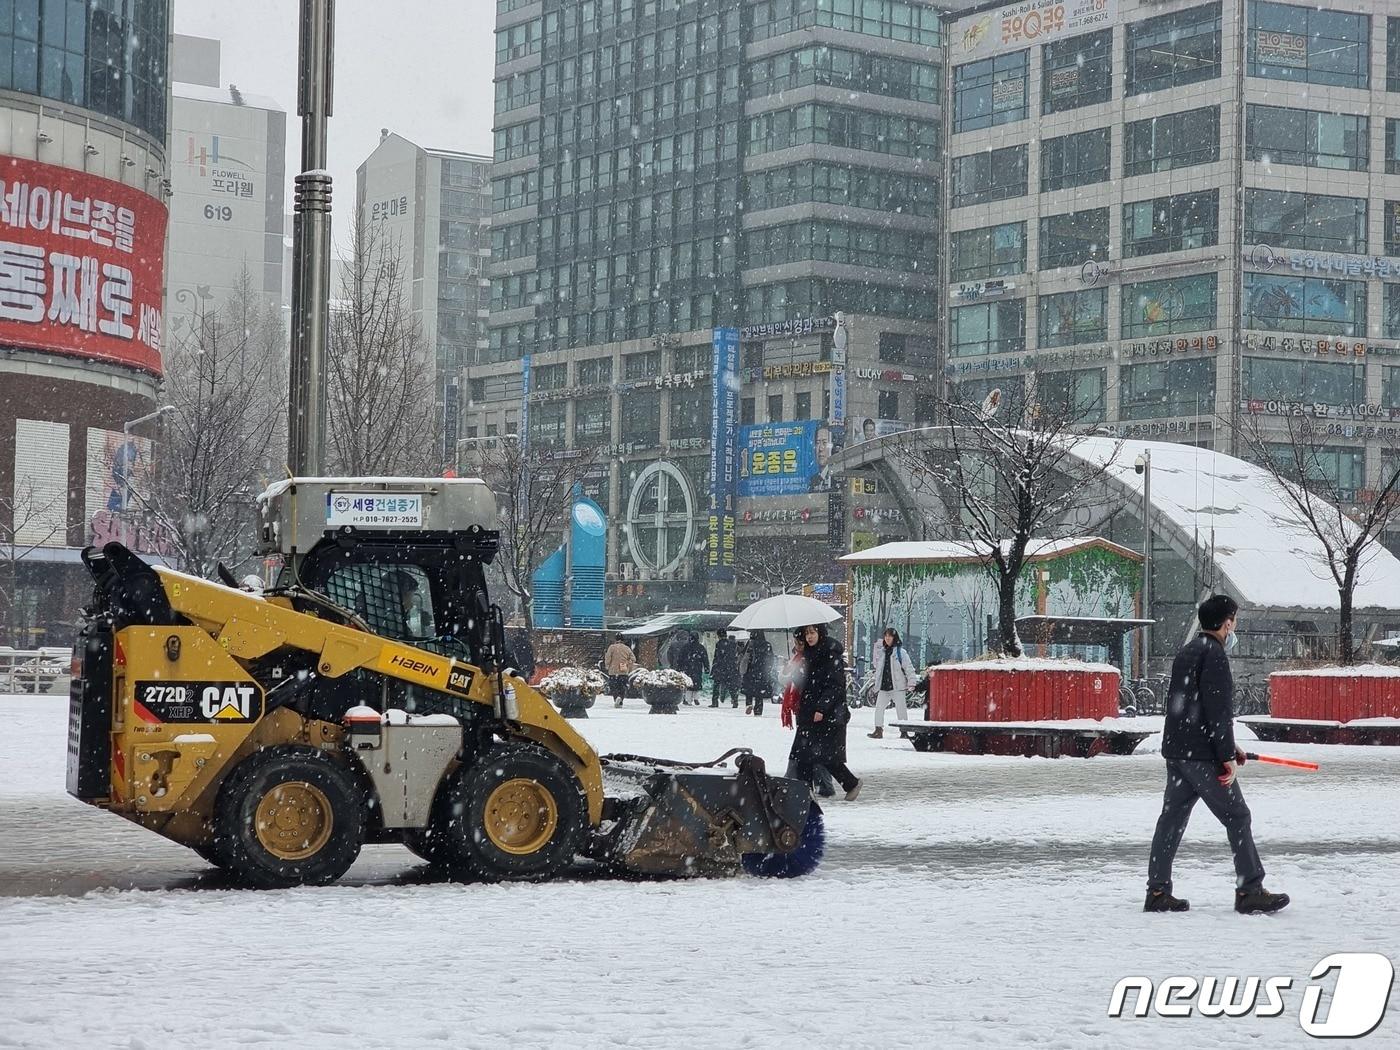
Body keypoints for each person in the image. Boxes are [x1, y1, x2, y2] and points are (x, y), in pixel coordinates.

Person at [1145, 594, 1289, 915]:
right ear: (1227, 623)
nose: (1233, 626)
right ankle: (1250, 889)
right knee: (1238, 816)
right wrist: (1225, 754)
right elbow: (1216, 711)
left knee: (1172, 819)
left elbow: (1186, 708)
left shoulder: (1187, 651)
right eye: (1234, 620)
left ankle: (1157, 890)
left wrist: (1228, 745)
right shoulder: (1215, 655)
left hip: (1178, 752)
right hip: (1203, 755)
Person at [789, 623, 861, 801]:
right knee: (803, 753)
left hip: (827, 715)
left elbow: (835, 686)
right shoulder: (808, 655)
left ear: (820, 633)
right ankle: (806, 791)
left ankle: (850, 783)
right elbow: (807, 684)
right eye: (807, 634)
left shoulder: (830, 654)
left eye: (812, 632)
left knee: (825, 756)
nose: (809, 637)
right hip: (809, 712)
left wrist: (822, 708)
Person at [869, 627, 917, 740]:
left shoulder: (901, 652)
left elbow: (908, 667)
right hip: (884, 686)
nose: (887, 638)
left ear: (894, 638)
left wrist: (912, 682)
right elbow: (879, 668)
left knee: (901, 709)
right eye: (886, 636)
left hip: (897, 686)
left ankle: (904, 731)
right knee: (879, 708)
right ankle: (878, 730)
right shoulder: (882, 652)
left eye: (890, 636)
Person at [741, 631, 776, 716]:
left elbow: (743, 655)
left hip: (750, 671)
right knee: (759, 693)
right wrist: (768, 669)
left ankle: (749, 704)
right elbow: (771, 659)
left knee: (748, 690)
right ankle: (758, 710)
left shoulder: (750, 643)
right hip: (762, 672)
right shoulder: (767, 645)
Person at [674, 631, 710, 706]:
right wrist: (706, 668)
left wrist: (679, 667)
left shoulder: (685, 647)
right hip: (697, 668)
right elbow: (705, 658)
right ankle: (696, 698)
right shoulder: (701, 647)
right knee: (696, 683)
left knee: (688, 684)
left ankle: (688, 700)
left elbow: (680, 658)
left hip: (687, 668)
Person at [604, 634, 636, 708]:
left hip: (613, 671)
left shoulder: (611, 647)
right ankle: (620, 698)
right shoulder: (626, 648)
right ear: (623, 640)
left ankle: (616, 698)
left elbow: (608, 658)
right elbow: (633, 659)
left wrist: (607, 666)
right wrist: (627, 663)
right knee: (622, 686)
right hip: (623, 670)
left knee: (614, 686)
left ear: (616, 640)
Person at [711, 629, 741, 708]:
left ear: (719, 636)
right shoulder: (732, 644)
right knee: (731, 685)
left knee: (716, 685)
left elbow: (717, 656)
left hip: (720, 667)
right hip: (730, 667)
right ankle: (735, 700)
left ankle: (715, 702)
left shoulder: (719, 644)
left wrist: (714, 667)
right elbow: (734, 656)